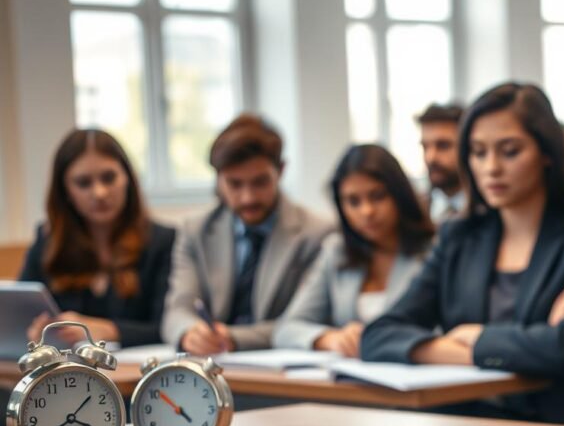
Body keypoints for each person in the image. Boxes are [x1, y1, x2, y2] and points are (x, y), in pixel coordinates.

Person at [362, 83, 564, 424]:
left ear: (547, 152)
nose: (491, 168)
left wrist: (477, 338)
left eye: (510, 151)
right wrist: (473, 350)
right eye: (478, 152)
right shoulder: (459, 235)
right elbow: (379, 335)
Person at [161, 114, 334, 355]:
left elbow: (304, 322)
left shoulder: (318, 233)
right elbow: (177, 311)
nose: (248, 197)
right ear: (218, 178)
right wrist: (191, 333)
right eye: (234, 184)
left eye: (260, 182)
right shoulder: (195, 230)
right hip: (209, 364)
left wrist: (234, 338)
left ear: (281, 171)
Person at [273, 145, 435, 356]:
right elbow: (286, 329)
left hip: (418, 378)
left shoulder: (434, 250)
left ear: (400, 195)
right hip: (349, 383)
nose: (367, 211)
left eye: (377, 196)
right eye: (353, 201)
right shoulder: (336, 251)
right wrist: (330, 339)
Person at [19, 128, 175, 347]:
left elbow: (171, 327)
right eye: (84, 183)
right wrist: (34, 330)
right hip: (62, 375)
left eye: (109, 178)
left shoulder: (164, 242)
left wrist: (106, 329)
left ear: (128, 179)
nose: (100, 193)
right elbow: (19, 317)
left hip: (136, 375)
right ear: (66, 192)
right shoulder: (48, 243)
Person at [418, 103, 466, 223]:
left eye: (443, 146)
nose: (430, 158)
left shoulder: (491, 209)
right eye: (425, 147)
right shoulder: (416, 211)